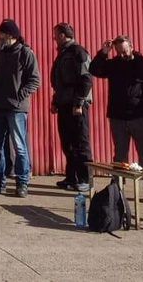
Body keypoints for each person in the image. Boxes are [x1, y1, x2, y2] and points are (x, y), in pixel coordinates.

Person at [90, 35, 143, 202]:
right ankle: (117, 188)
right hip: (118, 118)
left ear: (131, 47)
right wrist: (103, 53)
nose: (122, 54)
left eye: (125, 51)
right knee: (120, 155)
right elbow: (94, 69)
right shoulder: (114, 65)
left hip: (139, 118)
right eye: (119, 52)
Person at [0, 18, 39, 197]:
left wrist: (19, 96)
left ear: (10, 35)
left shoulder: (25, 53)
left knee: (19, 146)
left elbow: (34, 80)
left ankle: (22, 183)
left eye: (1, 33)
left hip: (16, 108)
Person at [49, 23, 93, 192]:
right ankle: (71, 177)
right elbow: (59, 82)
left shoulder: (77, 52)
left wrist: (79, 102)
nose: (54, 38)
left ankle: (85, 179)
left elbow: (86, 79)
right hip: (64, 103)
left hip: (76, 106)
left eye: (56, 34)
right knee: (68, 143)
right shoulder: (63, 53)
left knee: (80, 142)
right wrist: (55, 101)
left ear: (62, 35)